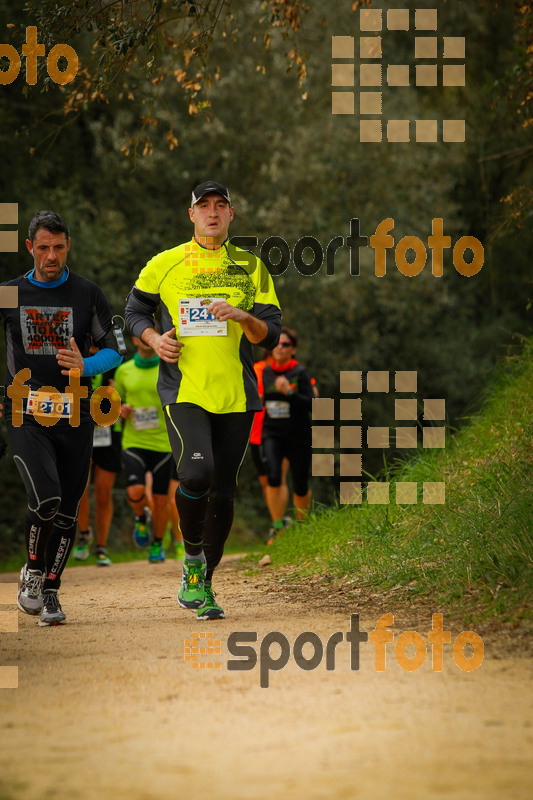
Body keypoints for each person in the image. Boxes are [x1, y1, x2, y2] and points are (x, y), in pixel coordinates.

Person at [125, 180, 281, 620]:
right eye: (204, 206)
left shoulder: (251, 267)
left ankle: (204, 584)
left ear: (231, 215)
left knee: (225, 493)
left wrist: (243, 316)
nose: (212, 212)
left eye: (221, 205)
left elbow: (270, 334)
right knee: (196, 473)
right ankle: (192, 560)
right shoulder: (166, 263)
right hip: (184, 391)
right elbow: (135, 312)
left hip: (236, 394)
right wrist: (154, 339)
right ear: (190, 214)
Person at [0, 210, 122, 626]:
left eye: (58, 247)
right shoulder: (9, 293)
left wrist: (85, 364)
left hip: (76, 414)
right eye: (43, 247)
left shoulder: (88, 293)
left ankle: (51, 591)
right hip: (27, 413)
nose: (51, 256)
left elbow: (114, 350)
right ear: (29, 247)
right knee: (47, 497)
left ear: (68, 246)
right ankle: (33, 571)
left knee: (68, 510)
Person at [113, 334, 174, 563]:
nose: (147, 341)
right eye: (142, 337)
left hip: (163, 443)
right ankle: (140, 517)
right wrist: (120, 412)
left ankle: (157, 544)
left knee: (160, 500)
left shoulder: (169, 368)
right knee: (135, 492)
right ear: (135, 340)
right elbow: (114, 407)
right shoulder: (124, 371)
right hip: (134, 441)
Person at [261, 326, 314, 543]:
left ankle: (302, 526)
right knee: (273, 477)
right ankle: (277, 526)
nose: (280, 348)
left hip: (298, 434)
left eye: (285, 345)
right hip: (272, 432)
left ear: (293, 350)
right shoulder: (266, 372)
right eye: (277, 344)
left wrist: (290, 392)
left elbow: (313, 404)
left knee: (300, 482)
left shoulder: (299, 373)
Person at [74, 369, 122, 566]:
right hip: (80, 429)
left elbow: (126, 395)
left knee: (103, 494)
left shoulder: (113, 361)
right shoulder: (77, 359)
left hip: (108, 433)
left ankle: (101, 547)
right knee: (81, 489)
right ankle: (84, 534)